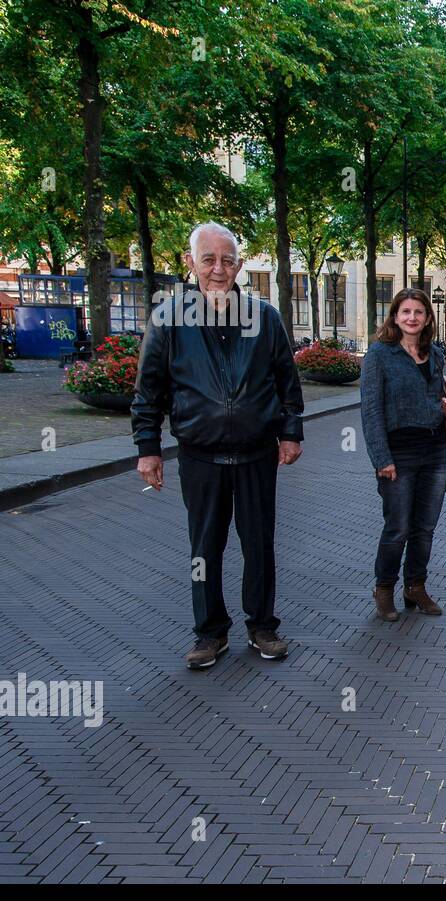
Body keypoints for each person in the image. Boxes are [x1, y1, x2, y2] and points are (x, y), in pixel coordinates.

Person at [132, 221, 304, 670]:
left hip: (256, 455)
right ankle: (210, 633)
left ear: (239, 266)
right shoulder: (168, 319)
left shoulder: (264, 318)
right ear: (191, 263)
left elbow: (288, 381)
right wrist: (147, 447)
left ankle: (262, 626)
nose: (217, 268)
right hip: (200, 456)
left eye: (227, 260)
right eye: (208, 259)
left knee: (259, 545)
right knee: (204, 549)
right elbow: (149, 390)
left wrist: (291, 431)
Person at [361, 288, 446, 622]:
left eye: (419, 312)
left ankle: (415, 586)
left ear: (428, 318)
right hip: (398, 455)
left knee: (425, 528)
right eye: (405, 311)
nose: (412, 318)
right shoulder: (379, 355)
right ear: (394, 316)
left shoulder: (433, 353)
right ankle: (385, 588)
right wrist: (381, 459)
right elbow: (371, 411)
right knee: (398, 527)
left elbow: (436, 397)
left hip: (434, 451)